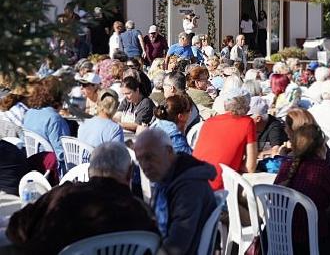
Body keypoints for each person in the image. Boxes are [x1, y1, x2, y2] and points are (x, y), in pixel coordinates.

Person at [7, 142, 158, 255]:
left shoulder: (61, 196)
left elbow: (15, 227)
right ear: (130, 173)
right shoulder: (141, 213)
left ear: (90, 169)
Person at [275, 123, 330, 255]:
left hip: (280, 239)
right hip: (312, 242)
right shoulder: (322, 169)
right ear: (320, 147)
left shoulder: (286, 165)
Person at [134, 129, 216, 255]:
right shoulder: (167, 175)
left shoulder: (189, 187)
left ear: (169, 151)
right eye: (140, 160)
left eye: (149, 157)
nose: (145, 166)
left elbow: (176, 246)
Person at [193, 88, 257, 190]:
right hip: (217, 188)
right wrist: (233, 165)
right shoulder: (248, 123)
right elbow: (250, 167)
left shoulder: (209, 122)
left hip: (192, 181)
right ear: (247, 107)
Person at [23, 77, 69, 175]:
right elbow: (62, 153)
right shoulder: (54, 119)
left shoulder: (29, 113)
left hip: (33, 166)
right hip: (52, 171)